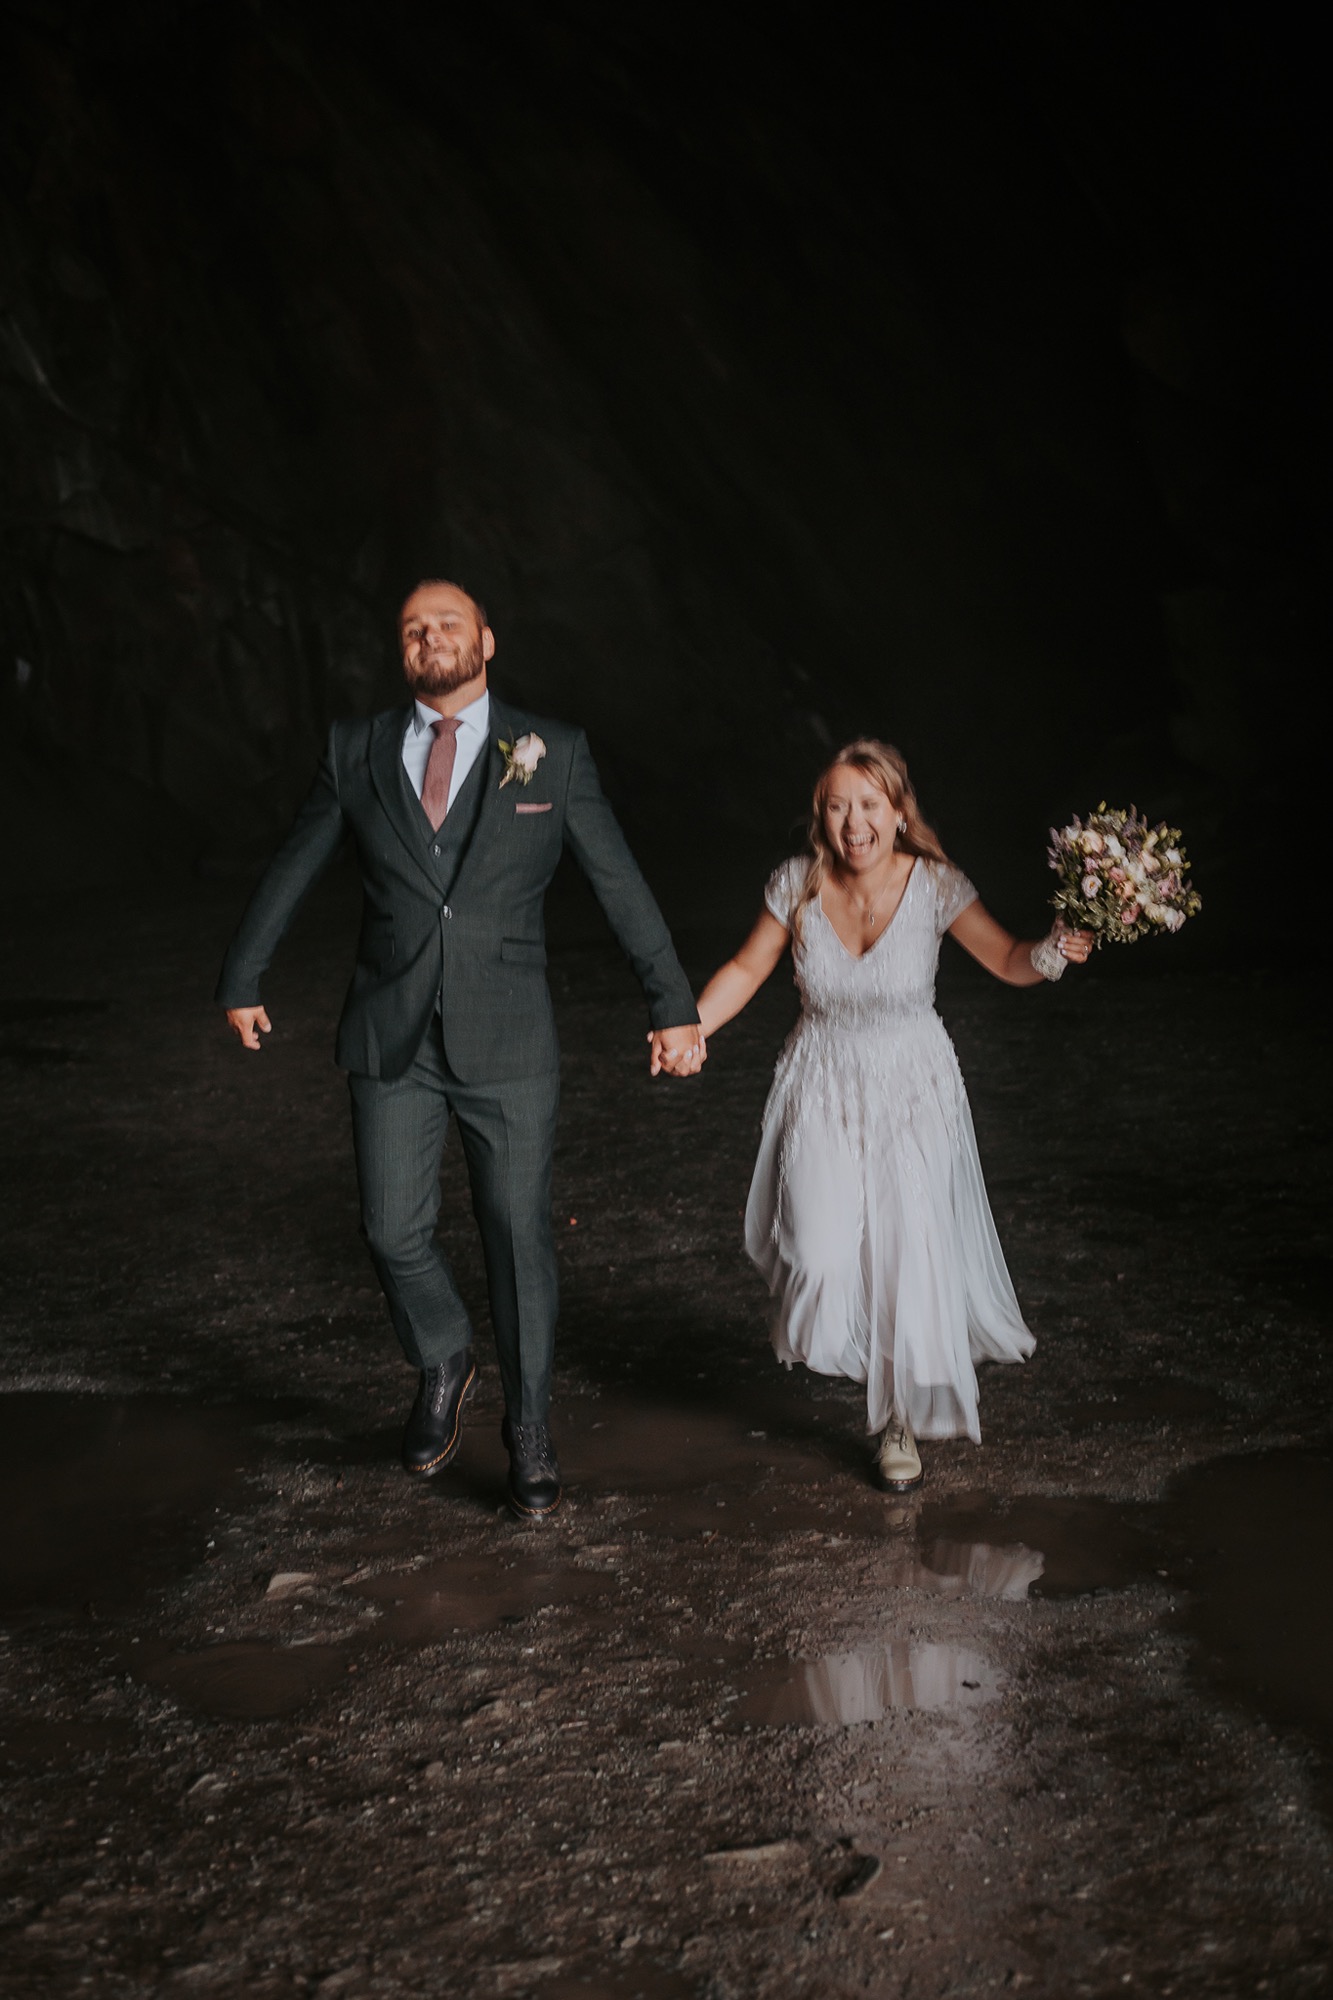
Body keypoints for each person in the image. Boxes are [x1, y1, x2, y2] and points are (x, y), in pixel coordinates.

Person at [216, 580, 703, 1519]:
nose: (428, 636)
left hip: (510, 1037)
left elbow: (617, 879)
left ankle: (529, 1427)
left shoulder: (551, 751)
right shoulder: (354, 750)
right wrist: (242, 974)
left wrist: (670, 1002)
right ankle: (443, 1353)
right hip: (389, 1031)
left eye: (446, 623)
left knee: (516, 1235)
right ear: (400, 652)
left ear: (486, 640)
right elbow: (295, 862)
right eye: (412, 629)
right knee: (389, 1230)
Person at [689, 739, 1091, 1492]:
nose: (854, 823)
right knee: (818, 1253)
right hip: (821, 1083)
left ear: (898, 811)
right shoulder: (796, 884)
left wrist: (1054, 951)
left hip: (913, 1086)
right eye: (837, 807)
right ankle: (866, 1361)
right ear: (821, 816)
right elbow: (746, 967)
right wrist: (691, 1028)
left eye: (869, 805)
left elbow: (1008, 957)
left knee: (903, 1259)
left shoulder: (935, 885)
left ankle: (895, 1417)